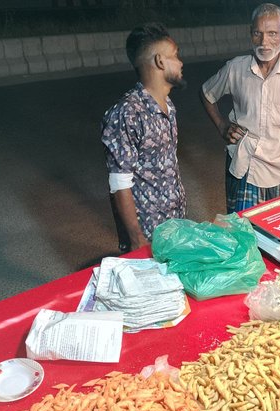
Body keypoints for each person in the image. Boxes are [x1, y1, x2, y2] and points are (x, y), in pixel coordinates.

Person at [200, 3, 280, 213]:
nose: (264, 42)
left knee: (270, 229)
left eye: (272, 33)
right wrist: (221, 125)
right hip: (242, 163)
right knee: (243, 231)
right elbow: (206, 93)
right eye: (258, 33)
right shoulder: (235, 68)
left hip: (276, 168)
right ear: (251, 34)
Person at [101, 23, 187, 252]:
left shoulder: (167, 105)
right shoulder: (127, 113)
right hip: (149, 234)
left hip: (174, 225)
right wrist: (137, 240)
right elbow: (119, 183)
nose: (181, 63)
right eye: (176, 56)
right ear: (160, 61)